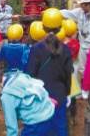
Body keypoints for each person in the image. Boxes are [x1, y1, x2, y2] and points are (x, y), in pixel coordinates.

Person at [27, 8, 73, 136]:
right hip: (59, 94)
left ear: (43, 26)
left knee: (40, 127)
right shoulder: (66, 49)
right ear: (60, 27)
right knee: (60, 128)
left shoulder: (36, 49)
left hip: (40, 95)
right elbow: (67, 75)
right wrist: (67, 93)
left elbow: (30, 75)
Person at [0, 65, 55, 136]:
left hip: (36, 123)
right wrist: (47, 100)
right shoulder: (16, 75)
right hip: (49, 111)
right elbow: (34, 87)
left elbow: (12, 129)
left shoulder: (7, 96)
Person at [60, 0, 90, 75]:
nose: (80, 6)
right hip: (83, 47)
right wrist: (54, 11)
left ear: (87, 4)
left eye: (82, 4)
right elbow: (68, 13)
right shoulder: (79, 12)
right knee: (82, 70)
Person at [61, 19, 80, 126]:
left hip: (61, 71)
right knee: (72, 95)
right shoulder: (75, 44)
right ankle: (72, 117)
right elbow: (75, 58)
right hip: (71, 70)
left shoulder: (59, 42)